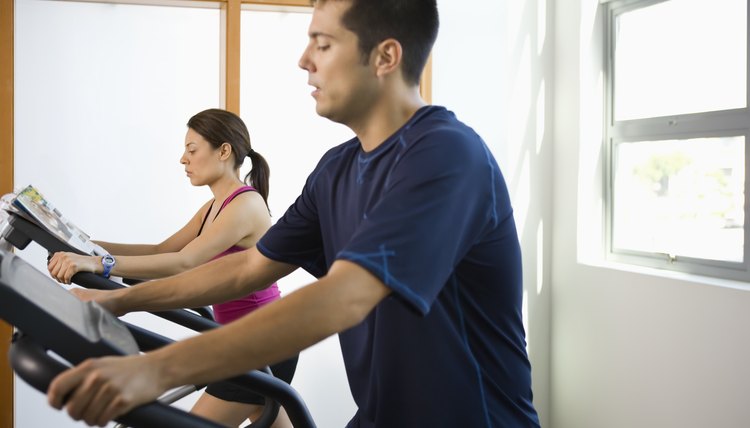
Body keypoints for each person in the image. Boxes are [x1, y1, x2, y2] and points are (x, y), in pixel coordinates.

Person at [47, 1, 541, 427]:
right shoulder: (336, 169)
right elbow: (246, 268)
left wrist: (155, 370)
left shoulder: (446, 156)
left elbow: (345, 296)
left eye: (323, 44)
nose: (304, 60)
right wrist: (117, 303)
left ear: (386, 56)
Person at [46, 108, 297, 428]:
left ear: (224, 151)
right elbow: (162, 250)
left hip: (260, 345)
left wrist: (99, 265)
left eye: (192, 150)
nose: (183, 159)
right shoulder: (213, 207)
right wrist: (82, 245)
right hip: (243, 341)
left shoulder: (245, 205)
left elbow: (184, 262)